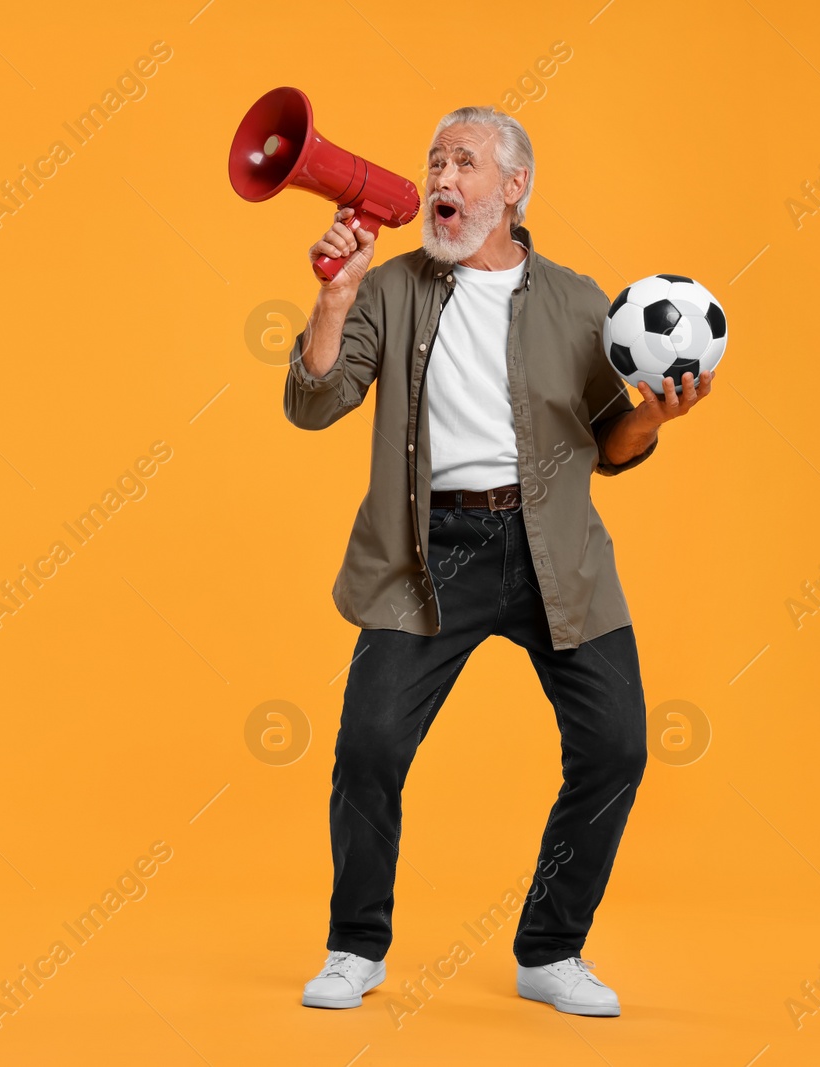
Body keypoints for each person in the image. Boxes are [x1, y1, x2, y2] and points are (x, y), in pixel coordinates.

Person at [286, 105, 713, 1017]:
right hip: (426, 552)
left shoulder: (576, 299)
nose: (442, 177)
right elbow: (316, 403)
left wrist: (657, 416)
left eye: (465, 162)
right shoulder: (392, 287)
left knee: (617, 746)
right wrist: (334, 290)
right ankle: (355, 946)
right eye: (436, 161)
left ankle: (551, 950)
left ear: (513, 188)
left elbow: (612, 441)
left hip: (556, 549)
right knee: (369, 746)